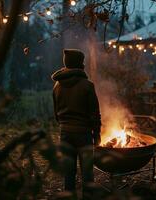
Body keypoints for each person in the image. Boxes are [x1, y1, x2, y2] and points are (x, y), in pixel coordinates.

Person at [51, 49, 101, 195]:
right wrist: (96, 134)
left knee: (69, 172)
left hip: (65, 133)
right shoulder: (87, 85)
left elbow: (56, 115)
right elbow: (94, 114)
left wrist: (65, 126)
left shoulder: (56, 86)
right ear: (79, 64)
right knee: (87, 173)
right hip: (83, 134)